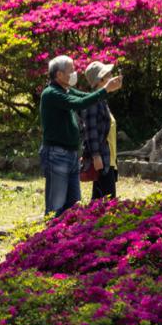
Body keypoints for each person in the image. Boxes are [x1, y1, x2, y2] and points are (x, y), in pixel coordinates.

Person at [39, 55, 121, 217]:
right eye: (71, 70)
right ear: (59, 75)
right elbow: (78, 104)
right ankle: (50, 238)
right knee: (56, 205)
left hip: (71, 153)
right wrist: (105, 90)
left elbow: (84, 97)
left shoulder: (66, 90)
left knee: (74, 204)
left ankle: (68, 238)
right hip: (56, 153)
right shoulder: (51, 93)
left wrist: (106, 91)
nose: (74, 73)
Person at [79, 60, 119, 203]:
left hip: (109, 159)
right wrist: (96, 155)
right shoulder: (93, 101)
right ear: (101, 79)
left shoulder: (102, 100)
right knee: (107, 202)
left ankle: (91, 224)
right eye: (108, 74)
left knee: (99, 202)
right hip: (102, 158)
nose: (112, 76)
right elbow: (90, 130)